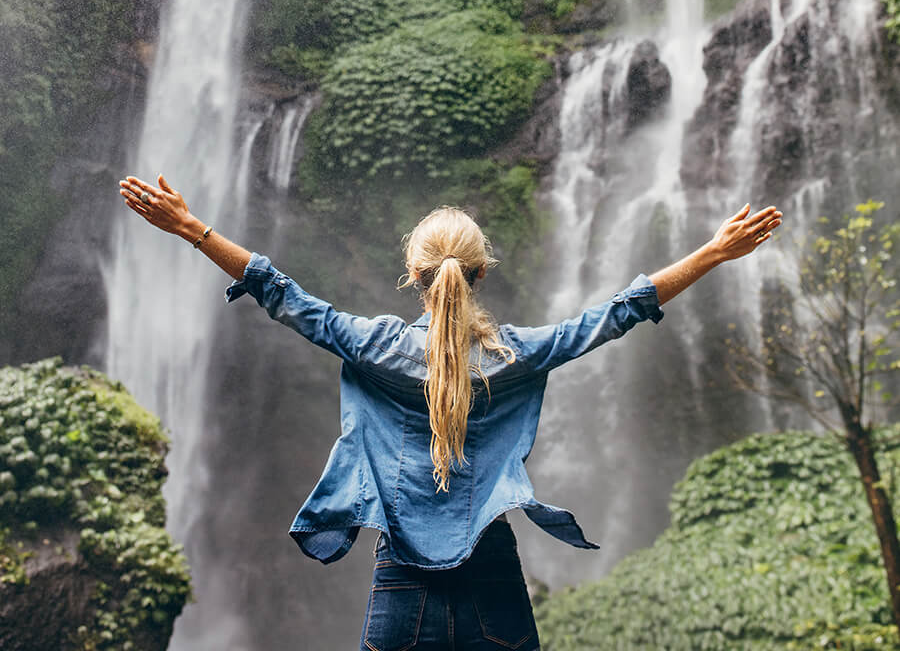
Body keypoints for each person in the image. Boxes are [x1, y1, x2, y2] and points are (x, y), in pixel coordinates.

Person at [119, 173, 781, 651]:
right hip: (493, 575)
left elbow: (279, 292)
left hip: (400, 578)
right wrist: (715, 251)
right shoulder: (518, 355)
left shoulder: (373, 344)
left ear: (414, 274)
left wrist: (189, 227)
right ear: (479, 275)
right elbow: (617, 314)